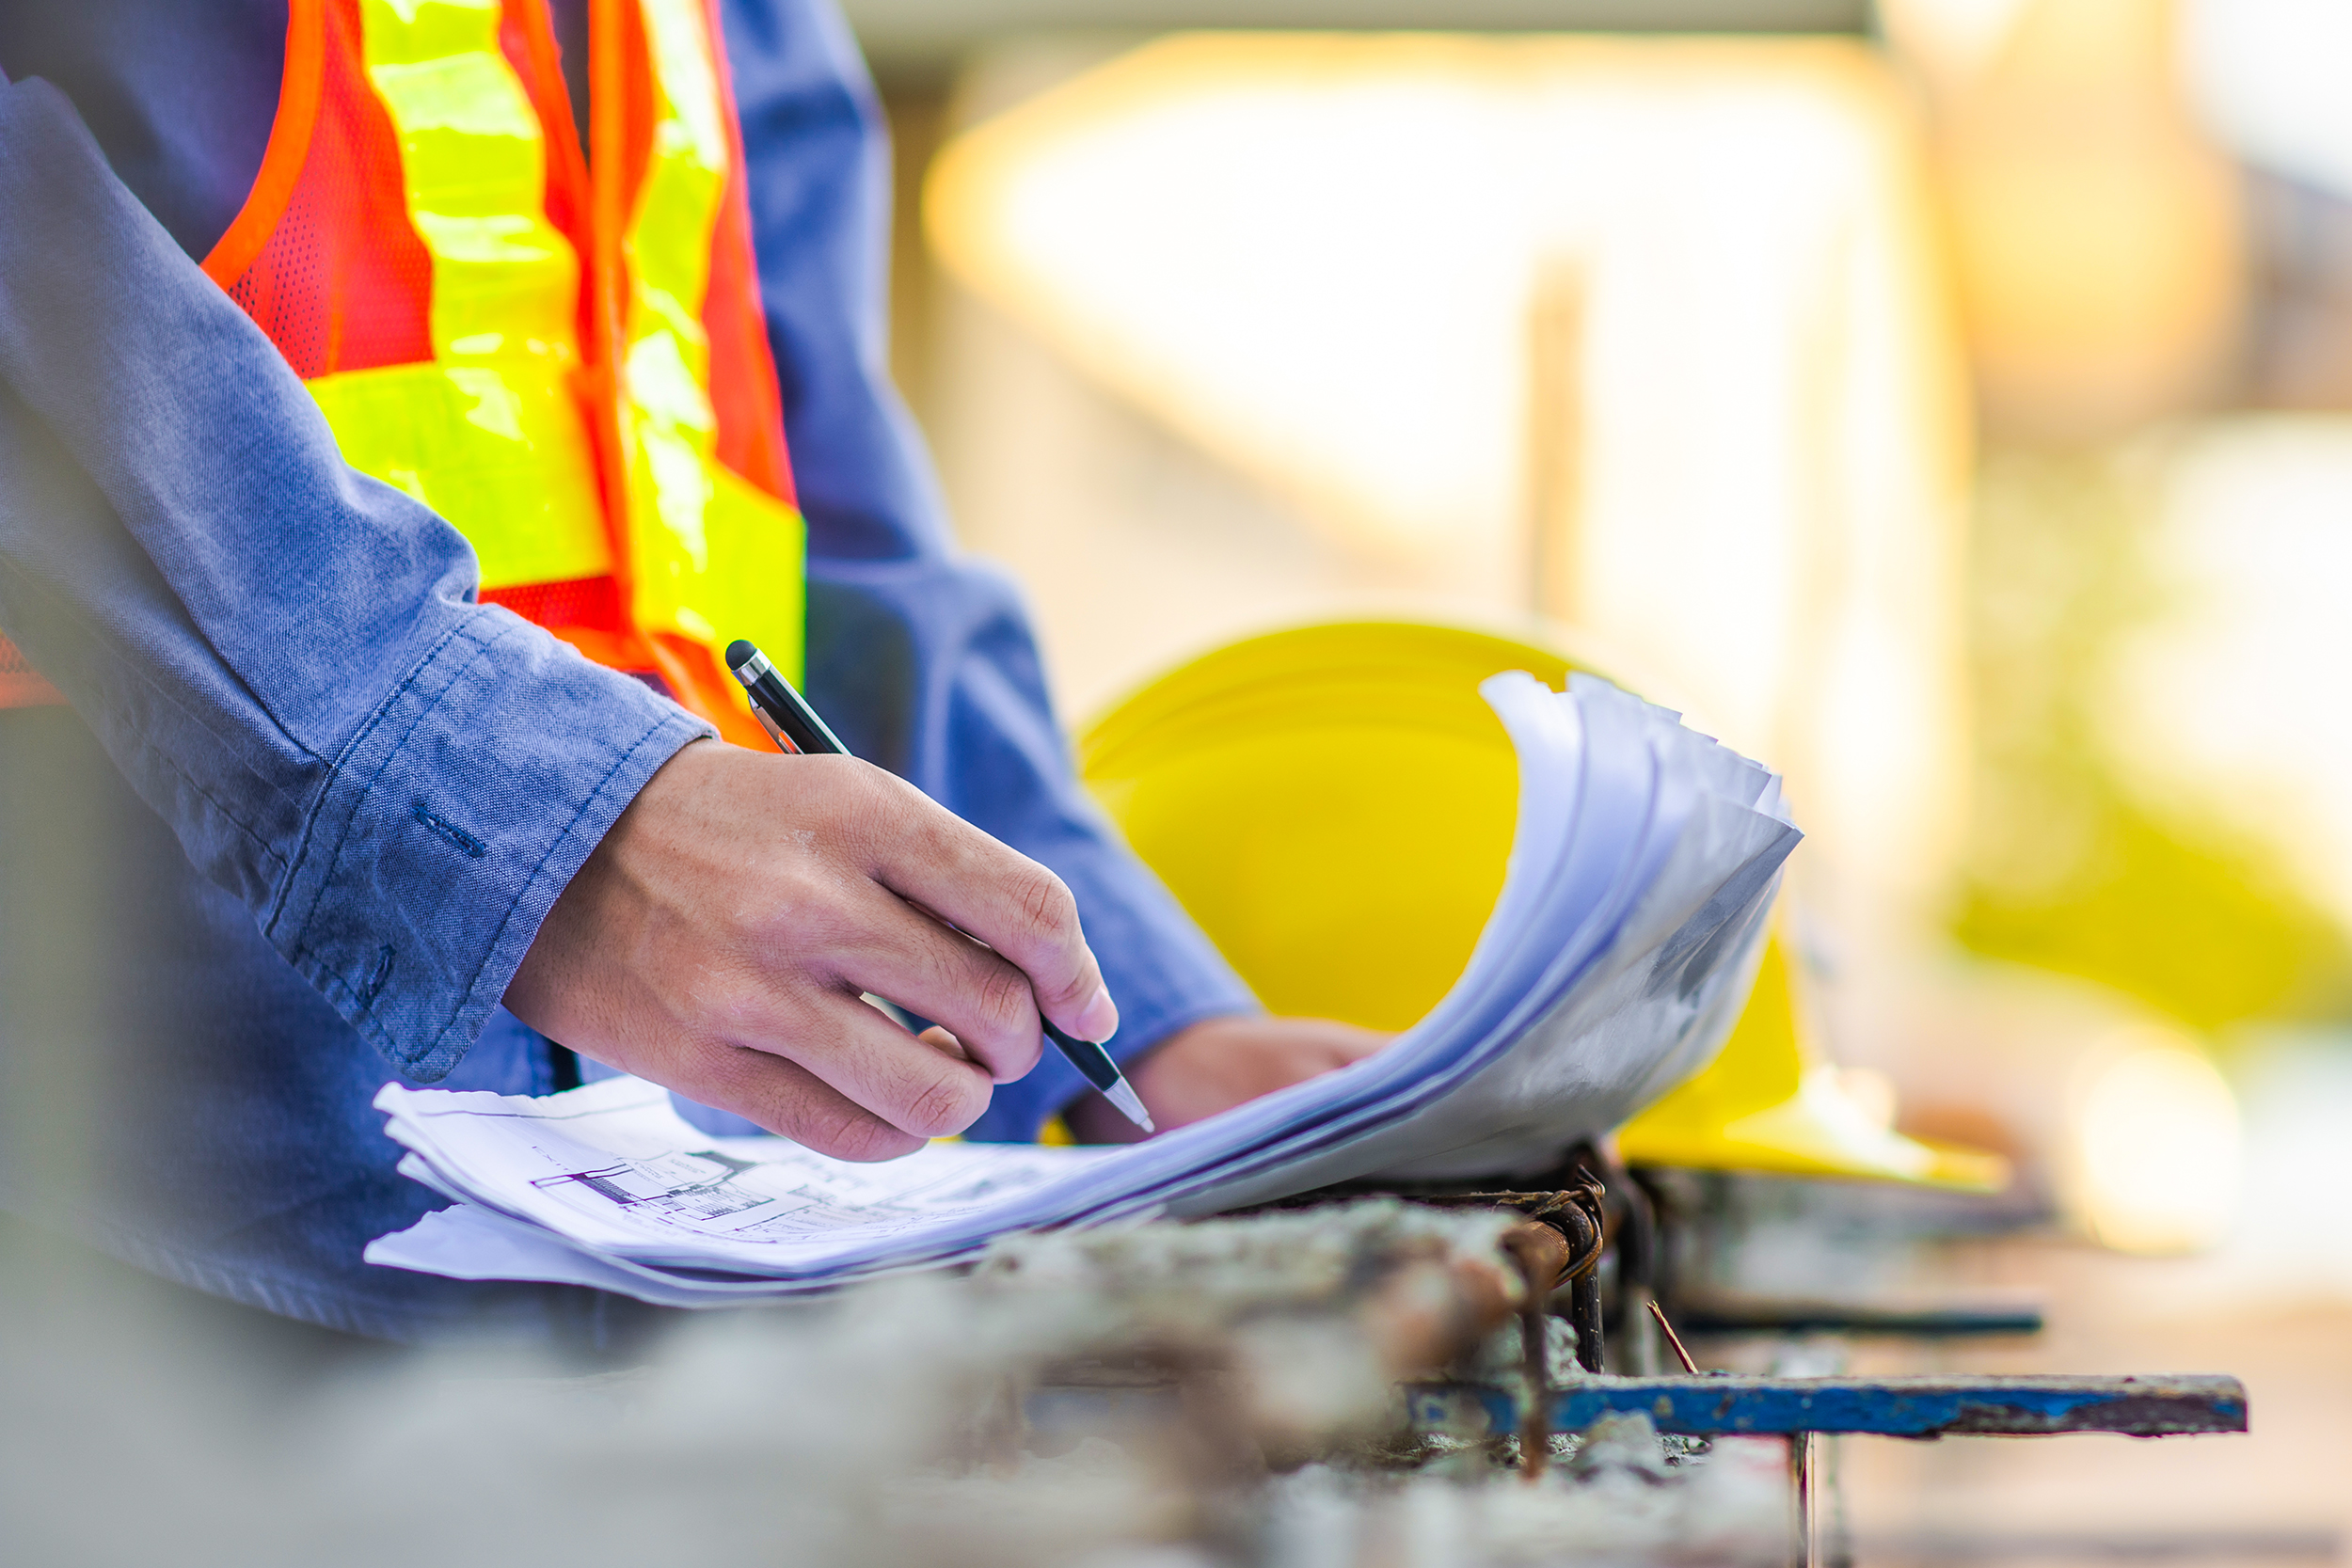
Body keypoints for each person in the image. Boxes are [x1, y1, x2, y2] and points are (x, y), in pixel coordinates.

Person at [0, 0, 1383, 1343]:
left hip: (678, 1244)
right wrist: (525, 826)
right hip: (106, 1202)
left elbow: (816, 517)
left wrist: (1136, 1031)